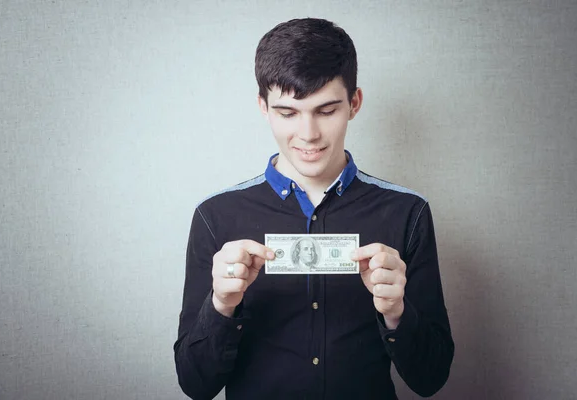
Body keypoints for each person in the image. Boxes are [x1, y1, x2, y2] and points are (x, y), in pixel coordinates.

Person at [174, 18, 454, 400]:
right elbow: (195, 385)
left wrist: (397, 313)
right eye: (288, 113)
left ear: (354, 103)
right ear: (263, 107)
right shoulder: (215, 216)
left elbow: (432, 378)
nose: (308, 134)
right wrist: (221, 305)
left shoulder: (408, 213)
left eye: (326, 110)